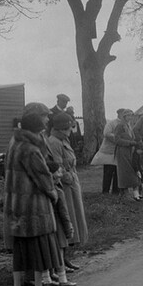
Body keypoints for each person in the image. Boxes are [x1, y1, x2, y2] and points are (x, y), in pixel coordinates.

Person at [3, 103, 75, 286]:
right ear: (38, 129)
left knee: (19, 249)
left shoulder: (14, 143)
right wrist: (53, 193)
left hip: (15, 203)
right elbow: (42, 176)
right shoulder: (31, 148)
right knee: (39, 247)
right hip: (33, 205)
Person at [48, 112, 89, 271]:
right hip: (64, 187)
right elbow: (57, 166)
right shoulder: (54, 142)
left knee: (72, 220)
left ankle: (66, 257)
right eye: (69, 127)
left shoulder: (62, 140)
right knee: (66, 220)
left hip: (71, 185)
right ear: (63, 128)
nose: (71, 130)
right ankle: (62, 259)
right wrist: (68, 177)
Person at [90, 109, 123, 194]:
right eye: (123, 114)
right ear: (118, 114)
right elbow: (107, 133)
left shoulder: (126, 124)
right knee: (108, 171)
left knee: (117, 172)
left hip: (119, 151)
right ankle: (105, 191)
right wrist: (118, 138)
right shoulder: (111, 123)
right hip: (109, 151)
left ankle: (116, 191)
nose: (124, 116)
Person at [113, 109, 142, 200]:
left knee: (133, 170)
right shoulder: (120, 126)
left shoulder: (129, 126)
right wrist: (129, 143)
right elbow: (117, 140)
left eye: (131, 115)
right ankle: (124, 193)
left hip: (130, 152)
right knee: (124, 172)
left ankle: (135, 193)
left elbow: (133, 137)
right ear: (124, 116)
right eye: (128, 115)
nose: (130, 117)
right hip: (122, 152)